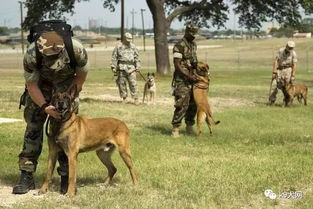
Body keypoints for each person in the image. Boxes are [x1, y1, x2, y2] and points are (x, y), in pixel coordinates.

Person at [13, 31, 88, 194]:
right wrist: (45, 106)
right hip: (41, 87)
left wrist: (67, 99)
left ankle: (65, 177)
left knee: (68, 133)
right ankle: (26, 175)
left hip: (68, 87)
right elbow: (32, 86)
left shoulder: (77, 50)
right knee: (33, 128)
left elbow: (80, 78)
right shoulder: (31, 55)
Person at [171, 24, 200, 138]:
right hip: (181, 79)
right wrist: (188, 76)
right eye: (191, 34)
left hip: (192, 77)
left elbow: (194, 61)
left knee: (194, 103)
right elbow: (177, 65)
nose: (193, 36)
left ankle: (189, 126)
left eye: (195, 34)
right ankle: (175, 128)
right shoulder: (179, 46)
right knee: (182, 103)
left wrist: (200, 72)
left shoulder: (193, 45)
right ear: (186, 32)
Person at [111, 32, 141, 105]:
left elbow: (137, 57)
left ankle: (136, 98)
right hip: (121, 67)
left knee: (133, 84)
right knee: (122, 84)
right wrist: (113, 67)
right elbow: (114, 57)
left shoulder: (133, 47)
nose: (129, 41)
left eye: (130, 39)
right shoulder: (118, 47)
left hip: (131, 68)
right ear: (124, 38)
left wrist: (138, 66)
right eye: (127, 39)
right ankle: (124, 98)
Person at [269, 41, 297, 105]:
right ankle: (271, 101)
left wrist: (293, 75)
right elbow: (276, 61)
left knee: (287, 87)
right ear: (286, 46)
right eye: (289, 47)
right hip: (280, 69)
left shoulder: (293, 54)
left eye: (291, 48)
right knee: (274, 84)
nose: (290, 49)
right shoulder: (281, 51)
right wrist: (274, 71)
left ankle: (286, 102)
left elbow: (294, 65)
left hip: (288, 70)